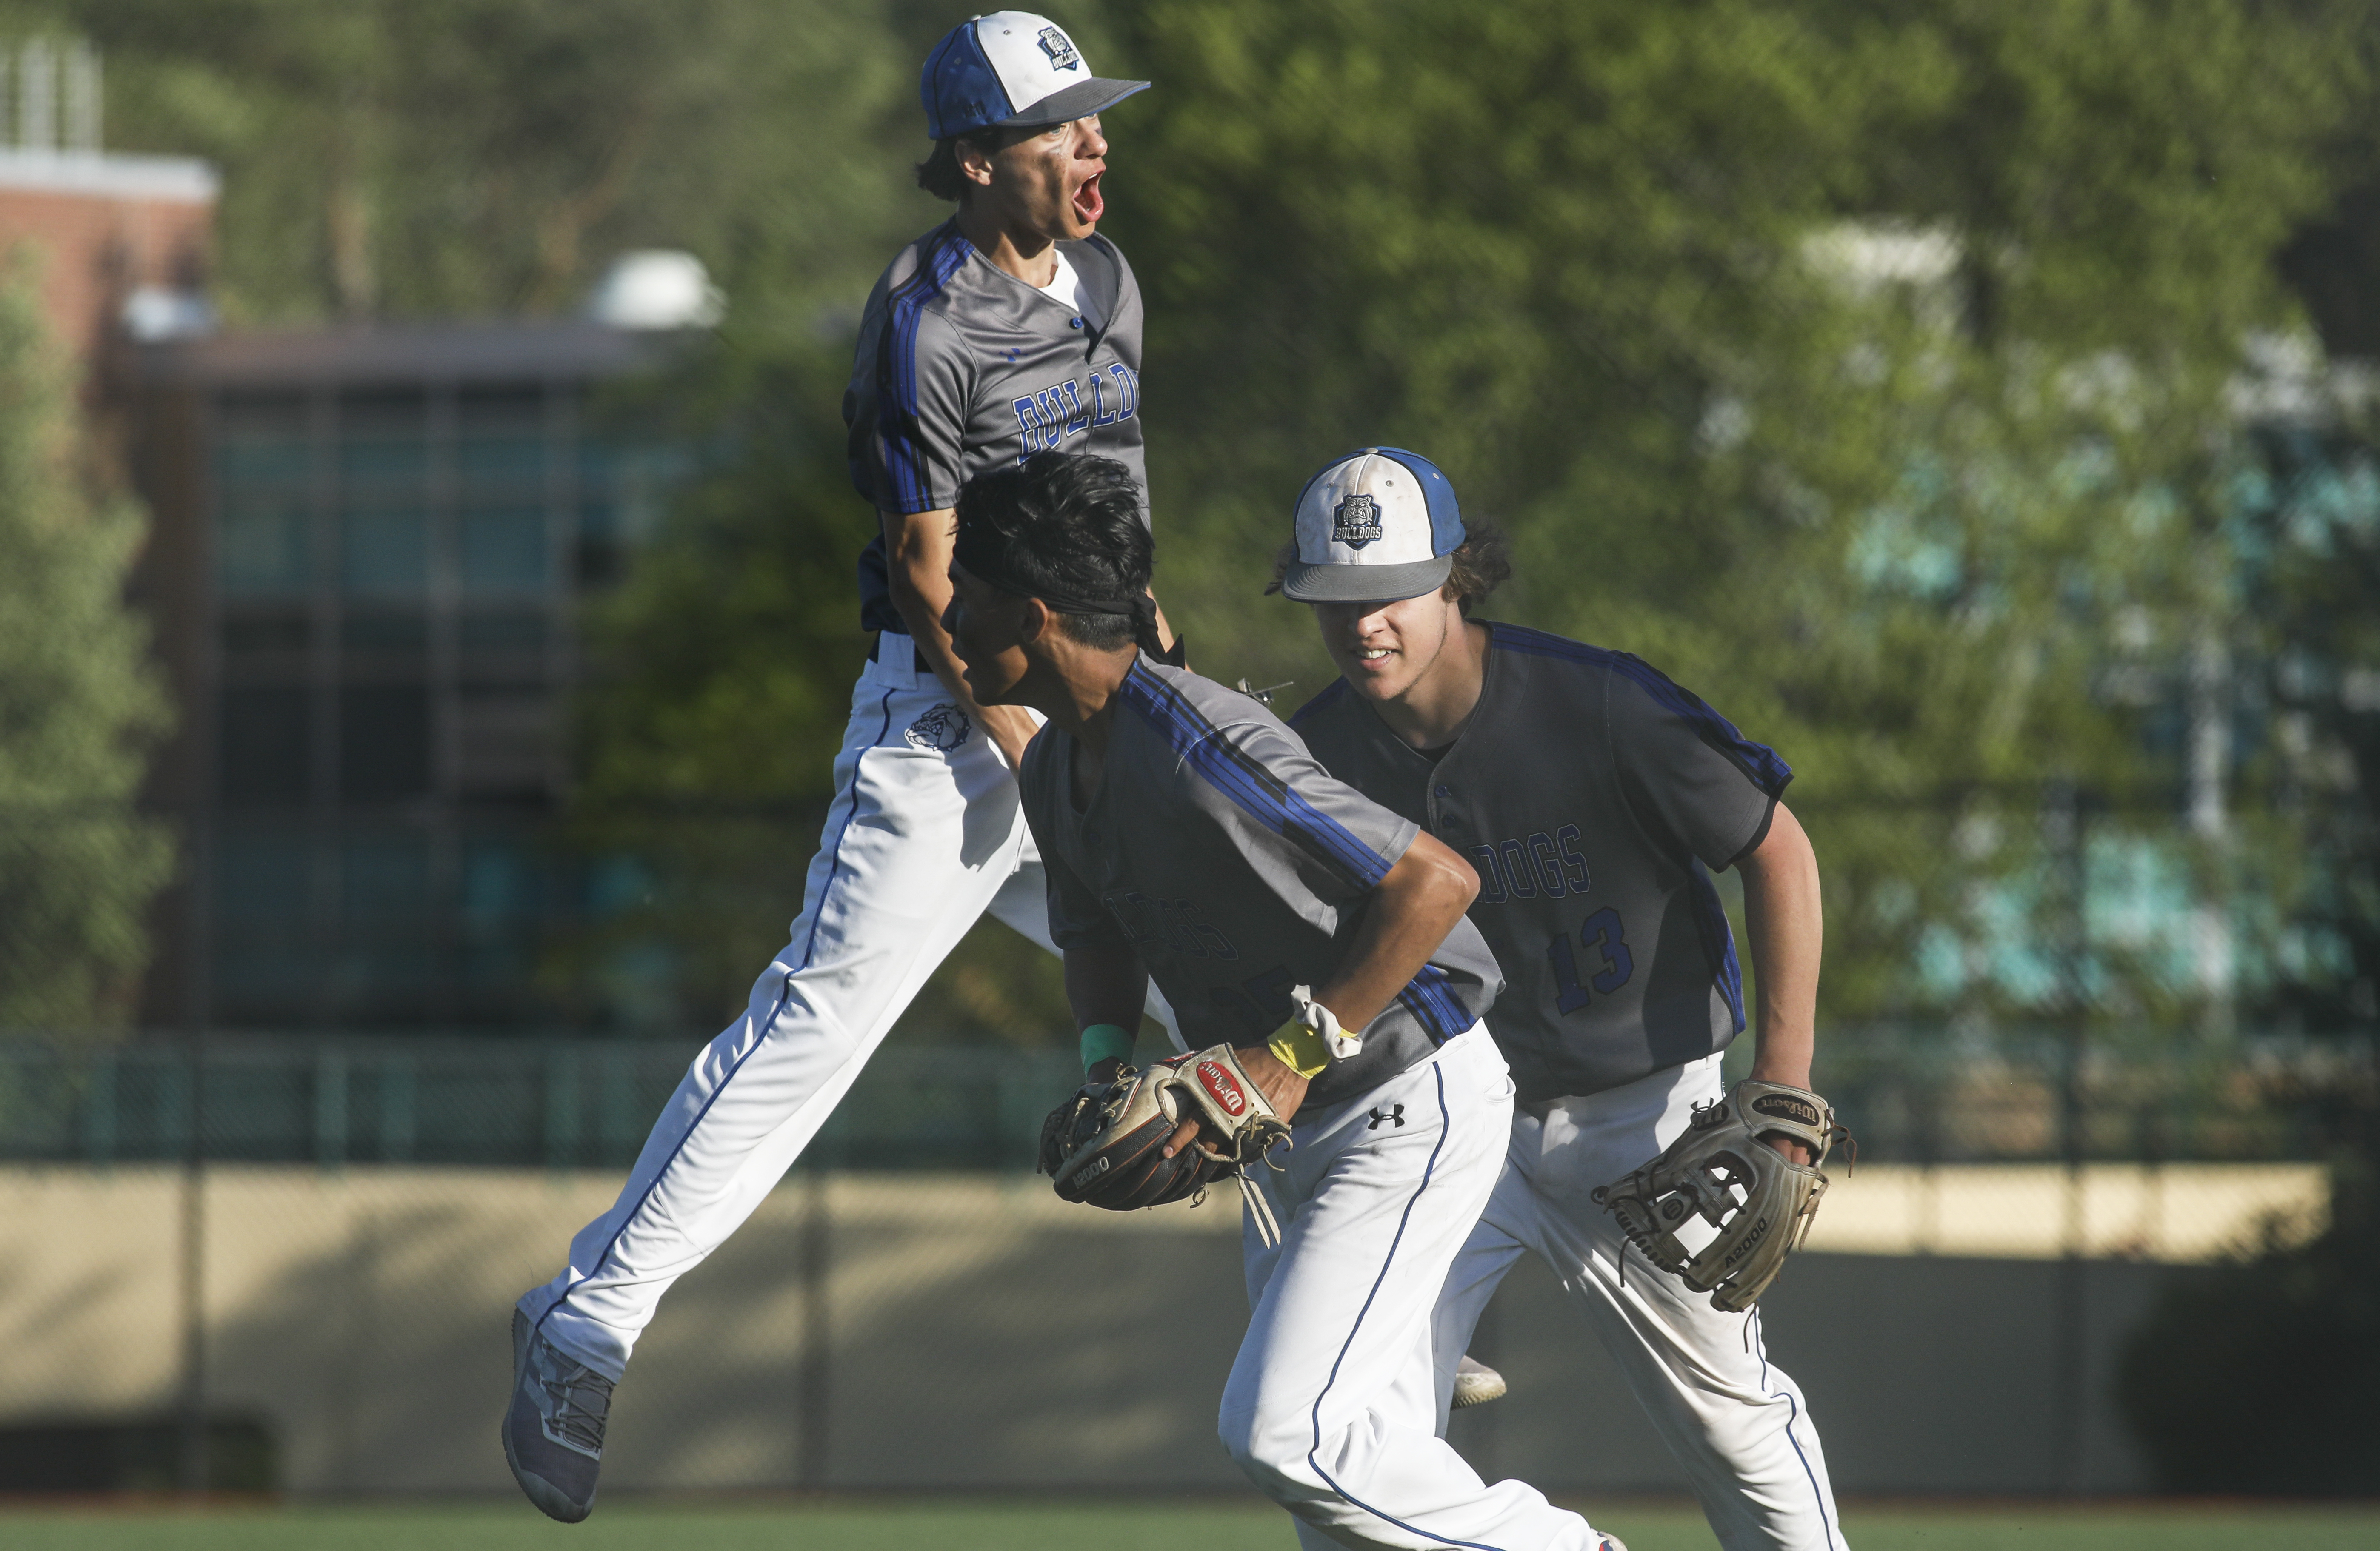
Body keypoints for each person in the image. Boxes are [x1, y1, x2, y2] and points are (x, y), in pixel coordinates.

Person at [502, 13, 1177, 1522]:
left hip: (1102, 700)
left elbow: (1113, 496)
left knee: (1260, 1007)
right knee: (813, 1033)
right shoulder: (922, 325)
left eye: (1093, 119)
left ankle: (1379, 1309)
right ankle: (588, 1316)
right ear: (970, 162)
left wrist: (1148, 666)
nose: (1093, 146)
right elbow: (933, 583)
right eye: (1058, 127)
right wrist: (1033, 750)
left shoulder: (1112, 282)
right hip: (953, 739)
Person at [948, 450, 1625, 1551]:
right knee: (1340, 1485)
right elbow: (1094, 934)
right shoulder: (1051, 769)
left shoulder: (1193, 741)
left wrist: (1285, 1054)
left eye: (962, 590)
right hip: (1283, 1133)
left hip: (1406, 1098)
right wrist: (1108, 1069)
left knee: (1287, 1436)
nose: (945, 612)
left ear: (1028, 612)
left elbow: (1434, 881)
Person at [1278, 448, 1849, 1551]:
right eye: (1334, 600)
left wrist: (1781, 1087)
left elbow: (1775, 850)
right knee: (1341, 1429)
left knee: (1732, 1429)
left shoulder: (1599, 705)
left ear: (1457, 579)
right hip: (1449, 1127)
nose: (1362, 626)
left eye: (1390, 592)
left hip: (1642, 1122)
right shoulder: (1313, 754)